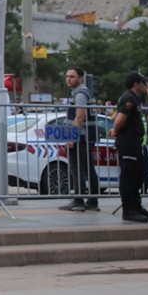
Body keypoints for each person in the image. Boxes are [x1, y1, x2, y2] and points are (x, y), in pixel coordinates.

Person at [111, 71, 148, 223]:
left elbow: (114, 116)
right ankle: (128, 210)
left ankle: (137, 206)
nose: (146, 85)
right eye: (143, 82)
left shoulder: (132, 98)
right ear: (137, 84)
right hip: (128, 143)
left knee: (138, 175)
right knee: (129, 177)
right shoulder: (129, 98)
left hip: (134, 142)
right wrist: (116, 130)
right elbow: (118, 120)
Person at [60, 66, 100, 212]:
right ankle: (92, 201)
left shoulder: (80, 94)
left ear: (80, 78)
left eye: (72, 76)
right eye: (67, 76)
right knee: (88, 169)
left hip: (81, 137)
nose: (68, 79)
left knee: (76, 169)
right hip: (86, 136)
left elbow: (80, 116)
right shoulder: (81, 92)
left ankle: (78, 201)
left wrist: (71, 136)